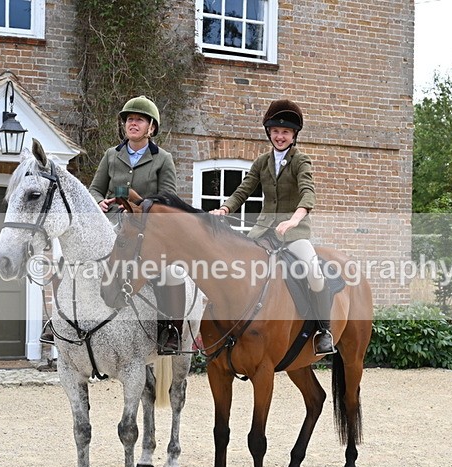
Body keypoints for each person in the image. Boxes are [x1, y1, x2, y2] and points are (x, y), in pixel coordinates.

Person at [42, 96, 185, 353]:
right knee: (67, 260)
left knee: (171, 273)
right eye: (129, 119)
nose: (133, 123)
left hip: (144, 228)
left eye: (139, 120)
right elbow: (94, 189)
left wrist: (133, 201)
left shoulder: (163, 159)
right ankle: (59, 322)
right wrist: (98, 202)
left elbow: (168, 199)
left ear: (151, 127)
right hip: (108, 225)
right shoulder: (111, 155)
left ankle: (170, 330)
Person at [210, 99, 334, 356]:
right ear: (269, 132)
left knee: (314, 273)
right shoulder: (262, 162)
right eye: (276, 131)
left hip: (294, 233)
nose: (280, 136)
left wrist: (294, 220)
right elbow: (243, 190)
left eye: (285, 132)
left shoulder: (301, 161)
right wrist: (224, 209)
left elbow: (308, 193)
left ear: (293, 135)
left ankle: (324, 330)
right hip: (264, 231)